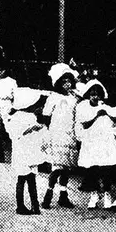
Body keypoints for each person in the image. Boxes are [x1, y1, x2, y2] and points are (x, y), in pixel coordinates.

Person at [75, 79, 116, 209]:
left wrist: (108, 114)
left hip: (105, 142)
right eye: (92, 94)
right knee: (92, 170)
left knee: (106, 169)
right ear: (88, 95)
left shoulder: (108, 107)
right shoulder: (83, 107)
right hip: (91, 142)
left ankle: (107, 195)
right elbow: (83, 125)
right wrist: (96, 116)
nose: (95, 97)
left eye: (97, 94)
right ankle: (94, 195)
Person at [40, 63, 80, 208]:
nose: (67, 84)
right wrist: (49, 132)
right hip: (57, 134)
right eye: (64, 81)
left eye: (69, 81)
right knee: (57, 167)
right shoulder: (53, 97)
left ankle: (63, 195)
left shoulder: (74, 98)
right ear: (58, 83)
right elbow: (46, 116)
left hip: (70, 134)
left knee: (66, 167)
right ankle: (48, 195)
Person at [7, 88, 48, 214]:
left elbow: (39, 133)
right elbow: (14, 134)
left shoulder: (30, 116)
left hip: (30, 151)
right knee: (22, 178)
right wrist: (30, 129)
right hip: (22, 152)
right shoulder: (15, 117)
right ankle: (20, 206)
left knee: (31, 179)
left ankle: (35, 205)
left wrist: (38, 129)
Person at [0, 64, 17, 163]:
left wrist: (14, 106)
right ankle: (0, 156)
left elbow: (15, 95)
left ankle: (14, 155)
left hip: (6, 103)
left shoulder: (12, 81)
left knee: (8, 126)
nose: (0, 72)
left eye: (2, 70)